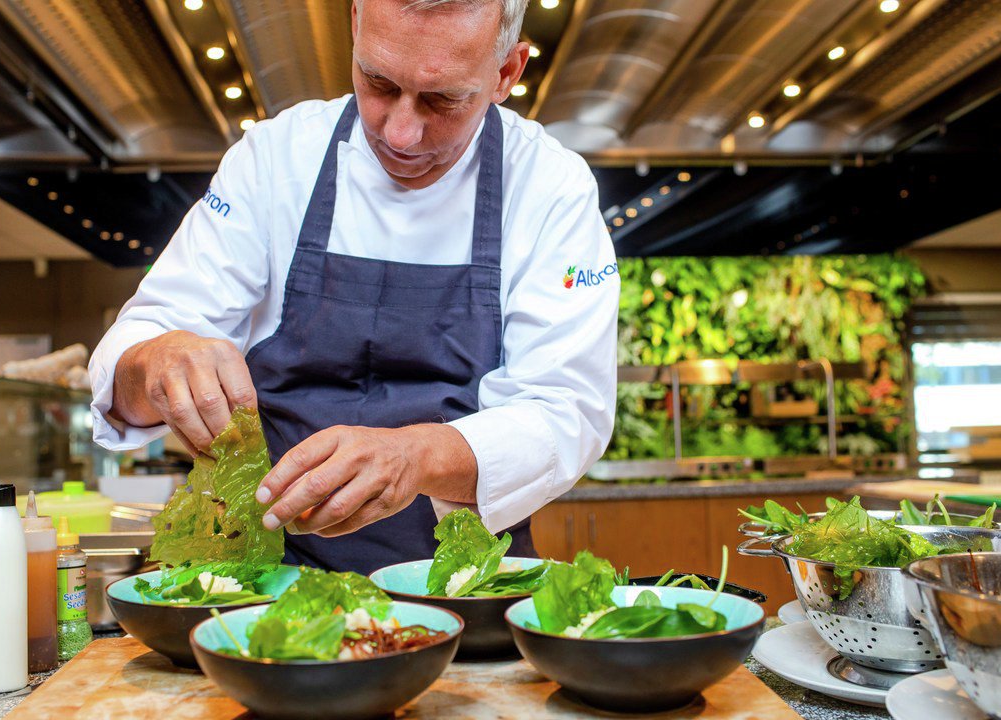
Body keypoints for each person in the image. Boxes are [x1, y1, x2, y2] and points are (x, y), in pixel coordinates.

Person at [88, 0, 618, 574]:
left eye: (443, 99)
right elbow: (135, 353)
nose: (401, 133)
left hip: (465, 588)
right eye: (378, 82)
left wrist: (413, 456)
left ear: (506, 74)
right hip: (266, 587)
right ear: (356, 26)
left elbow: (567, 411)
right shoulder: (273, 159)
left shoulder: (550, 187)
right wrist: (158, 361)